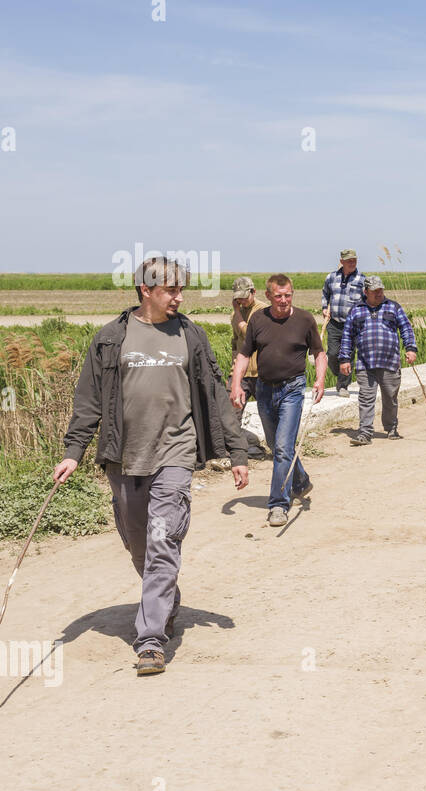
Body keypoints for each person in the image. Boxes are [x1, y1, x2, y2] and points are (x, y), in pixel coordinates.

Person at [55, 257, 248, 677]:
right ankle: (166, 598)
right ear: (146, 290)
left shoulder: (190, 336)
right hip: (124, 459)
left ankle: (150, 641)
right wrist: (73, 451)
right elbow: (88, 401)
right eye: (171, 290)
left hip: (174, 457)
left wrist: (237, 452)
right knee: (140, 546)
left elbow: (215, 395)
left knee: (163, 543)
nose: (179, 297)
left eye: (182, 290)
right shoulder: (111, 338)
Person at [231, 274, 326, 526]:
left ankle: (278, 504)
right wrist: (236, 385)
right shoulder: (258, 319)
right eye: (278, 296)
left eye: (288, 295)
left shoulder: (305, 319)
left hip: (292, 390)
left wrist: (319, 380)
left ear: (292, 294)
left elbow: (319, 353)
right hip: (264, 390)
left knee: (283, 447)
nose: (283, 300)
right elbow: (243, 354)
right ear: (269, 295)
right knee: (276, 444)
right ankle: (301, 480)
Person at [338, 275, 418, 445]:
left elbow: (406, 329)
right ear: (366, 292)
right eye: (375, 291)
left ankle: (391, 427)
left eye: (381, 290)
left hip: (390, 363)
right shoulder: (356, 310)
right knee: (366, 398)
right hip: (365, 365)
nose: (379, 293)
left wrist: (410, 348)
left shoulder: (393, 307)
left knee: (390, 397)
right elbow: (347, 337)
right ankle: (365, 433)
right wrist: (344, 359)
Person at [229, 276, 268, 455]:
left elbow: (248, 333)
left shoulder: (263, 311)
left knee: (268, 414)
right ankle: (234, 449)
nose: (241, 301)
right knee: (231, 413)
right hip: (241, 372)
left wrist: (237, 313)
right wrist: (234, 367)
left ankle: (277, 448)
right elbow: (236, 341)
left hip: (261, 372)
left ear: (253, 292)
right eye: (238, 298)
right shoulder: (236, 314)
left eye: (244, 297)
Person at [321, 249, 366, 398]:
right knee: (333, 354)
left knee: (348, 356)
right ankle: (339, 371)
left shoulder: (362, 279)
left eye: (354, 260)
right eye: (349, 261)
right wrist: (324, 308)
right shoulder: (331, 277)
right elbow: (325, 293)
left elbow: (367, 301)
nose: (352, 263)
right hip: (334, 323)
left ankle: (343, 386)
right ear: (342, 261)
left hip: (352, 325)